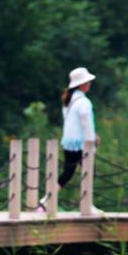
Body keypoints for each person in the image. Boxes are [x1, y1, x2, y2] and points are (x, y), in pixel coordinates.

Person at [45, 66, 99, 209]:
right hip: (82, 144)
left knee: (67, 173)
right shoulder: (84, 102)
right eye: (88, 81)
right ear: (82, 84)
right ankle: (87, 204)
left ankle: (46, 200)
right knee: (90, 172)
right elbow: (87, 125)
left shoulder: (68, 102)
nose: (89, 84)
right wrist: (92, 143)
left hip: (69, 143)